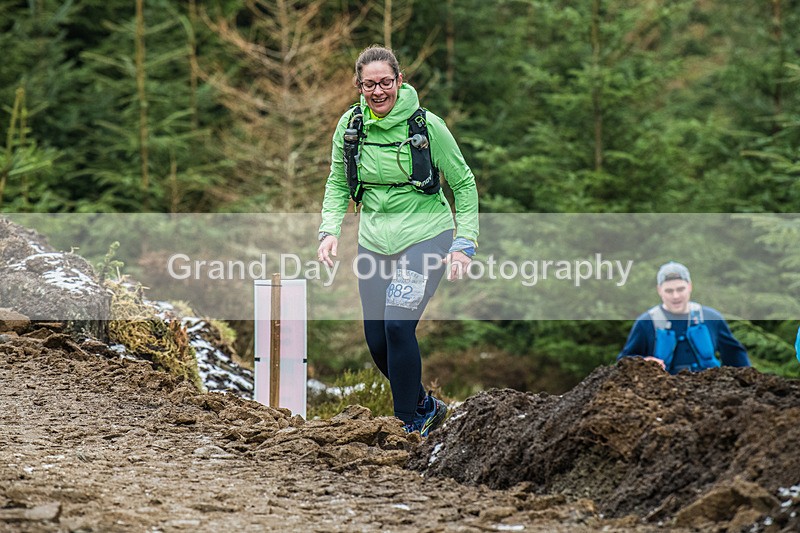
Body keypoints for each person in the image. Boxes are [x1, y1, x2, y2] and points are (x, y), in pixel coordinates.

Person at [317, 45, 479, 436]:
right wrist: (328, 230)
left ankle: (407, 424)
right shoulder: (350, 126)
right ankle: (424, 406)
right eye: (369, 84)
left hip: (426, 236)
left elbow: (463, 182)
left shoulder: (427, 126)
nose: (378, 91)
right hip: (375, 241)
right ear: (359, 86)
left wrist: (464, 243)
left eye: (385, 82)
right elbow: (339, 182)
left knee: (397, 327)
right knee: (377, 340)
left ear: (399, 81)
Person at [618, 261, 750, 374]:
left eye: (680, 289)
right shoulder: (646, 323)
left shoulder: (711, 318)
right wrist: (643, 362)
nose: (676, 296)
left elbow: (736, 355)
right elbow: (623, 362)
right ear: (659, 290)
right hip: (663, 397)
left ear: (690, 287)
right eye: (669, 291)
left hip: (711, 394)